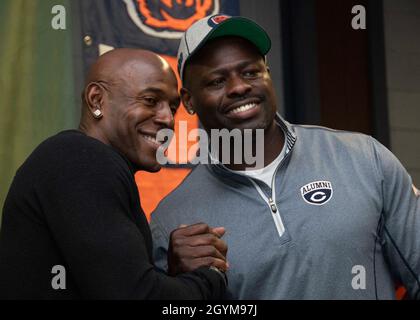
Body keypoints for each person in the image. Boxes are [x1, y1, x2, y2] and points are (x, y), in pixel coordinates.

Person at [150, 15, 420, 299]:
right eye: (217, 81)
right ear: (189, 101)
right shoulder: (172, 221)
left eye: (251, 72)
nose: (239, 87)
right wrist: (181, 288)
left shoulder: (364, 158)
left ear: (268, 73)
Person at [0, 48, 229, 299]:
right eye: (151, 100)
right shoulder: (80, 158)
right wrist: (211, 276)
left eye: (172, 108)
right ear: (97, 100)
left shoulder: (83, 162)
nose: (167, 119)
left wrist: (174, 272)